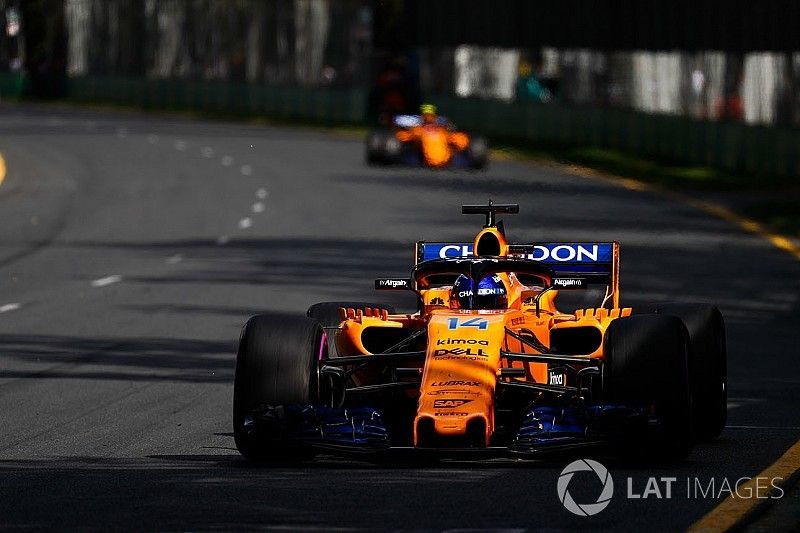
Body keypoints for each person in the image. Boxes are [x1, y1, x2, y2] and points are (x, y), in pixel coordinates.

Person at [395, 103, 469, 167]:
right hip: (443, 163)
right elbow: (462, 141)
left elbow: (403, 137)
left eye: (429, 116)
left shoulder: (420, 130)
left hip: (432, 164)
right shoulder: (442, 130)